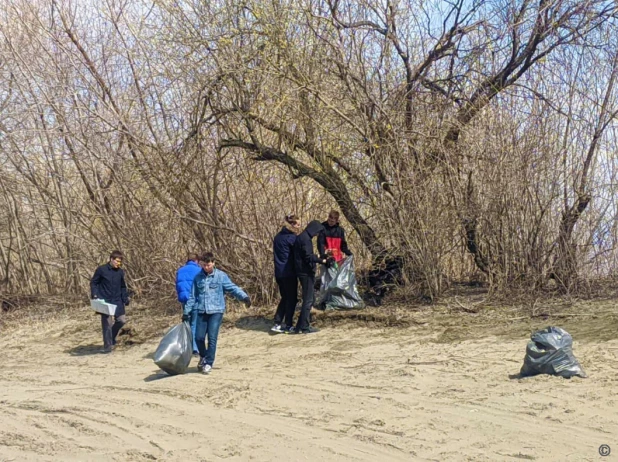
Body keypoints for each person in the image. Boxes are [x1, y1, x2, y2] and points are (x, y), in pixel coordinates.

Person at [182, 252, 251, 374]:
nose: (206, 267)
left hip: (216, 310)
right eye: (204, 265)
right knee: (198, 337)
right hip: (202, 310)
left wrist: (244, 297)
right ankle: (203, 356)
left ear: (213, 263)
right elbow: (192, 296)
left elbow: (232, 287)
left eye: (208, 265)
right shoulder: (198, 277)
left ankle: (209, 362)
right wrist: (186, 312)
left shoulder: (221, 276)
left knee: (212, 338)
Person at [90, 250, 130, 353]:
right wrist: (95, 295)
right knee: (107, 324)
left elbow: (122, 286)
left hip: (117, 300)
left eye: (120, 261)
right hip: (105, 300)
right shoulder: (101, 270)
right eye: (117, 261)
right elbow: (94, 283)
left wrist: (125, 298)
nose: (118, 263)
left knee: (121, 320)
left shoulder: (120, 272)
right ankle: (107, 346)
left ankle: (111, 336)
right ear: (111, 259)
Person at [293, 220, 328, 334]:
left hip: (302, 271)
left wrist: (318, 256)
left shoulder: (301, 237)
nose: (317, 235)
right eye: (317, 232)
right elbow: (308, 257)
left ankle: (299, 326)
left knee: (310, 299)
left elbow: (306, 255)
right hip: (306, 273)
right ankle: (305, 327)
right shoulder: (305, 240)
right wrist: (322, 260)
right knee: (308, 300)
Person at [271, 214, 301, 334]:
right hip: (288, 272)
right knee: (292, 298)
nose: (299, 227)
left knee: (285, 297)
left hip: (279, 272)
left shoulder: (278, 237)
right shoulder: (291, 238)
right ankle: (288, 324)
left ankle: (278, 322)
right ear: (292, 225)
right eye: (298, 224)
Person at [175, 252, 202, 355]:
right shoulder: (199, 270)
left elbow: (177, 285)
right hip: (195, 299)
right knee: (194, 324)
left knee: (187, 322)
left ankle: (186, 346)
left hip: (184, 299)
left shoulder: (180, 270)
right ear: (197, 260)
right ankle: (195, 348)